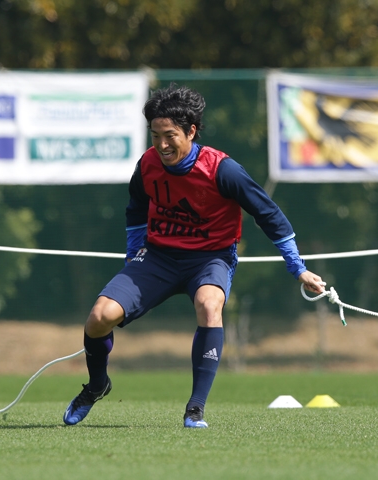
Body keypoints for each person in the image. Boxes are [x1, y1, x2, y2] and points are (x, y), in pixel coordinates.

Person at [62, 84, 325, 428]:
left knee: (209, 305)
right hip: (157, 257)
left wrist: (299, 269)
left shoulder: (223, 170)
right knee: (99, 317)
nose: (161, 144)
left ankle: (195, 408)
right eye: (155, 135)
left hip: (210, 259)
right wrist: (133, 257)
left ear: (191, 131)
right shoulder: (147, 165)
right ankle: (97, 386)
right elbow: (136, 211)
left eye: (169, 135)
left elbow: (269, 215)